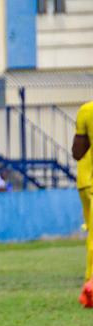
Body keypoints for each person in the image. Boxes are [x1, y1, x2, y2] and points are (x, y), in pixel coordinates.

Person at [72, 100, 93, 306]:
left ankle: (90, 284)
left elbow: (77, 152)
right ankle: (90, 288)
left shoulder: (87, 110)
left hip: (85, 183)